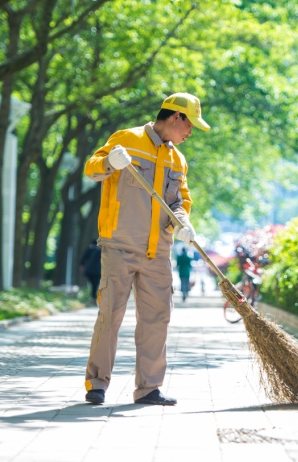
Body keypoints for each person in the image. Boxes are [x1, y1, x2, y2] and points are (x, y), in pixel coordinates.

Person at [82, 92, 210, 406]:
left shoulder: (177, 159)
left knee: (157, 319)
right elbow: (92, 169)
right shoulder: (127, 139)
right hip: (120, 246)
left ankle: (149, 388)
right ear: (176, 117)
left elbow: (178, 202)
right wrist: (111, 161)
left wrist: (182, 222)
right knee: (110, 315)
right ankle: (96, 383)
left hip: (159, 253)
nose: (190, 132)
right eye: (189, 125)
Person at [79, 240, 102, 305]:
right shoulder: (100, 251)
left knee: (92, 284)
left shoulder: (89, 250)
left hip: (89, 271)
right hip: (97, 271)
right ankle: (94, 299)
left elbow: (82, 261)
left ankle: (93, 298)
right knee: (95, 285)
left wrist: (82, 269)